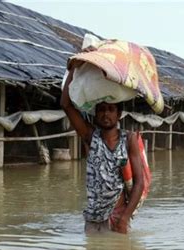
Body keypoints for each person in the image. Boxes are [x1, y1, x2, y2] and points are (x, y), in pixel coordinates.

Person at [61, 68, 144, 234]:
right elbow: (66, 104)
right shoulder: (90, 137)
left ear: (118, 114)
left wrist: (125, 218)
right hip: (93, 218)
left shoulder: (129, 140)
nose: (106, 114)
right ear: (96, 113)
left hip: (118, 216)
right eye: (101, 109)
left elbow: (139, 182)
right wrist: (73, 69)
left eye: (111, 110)